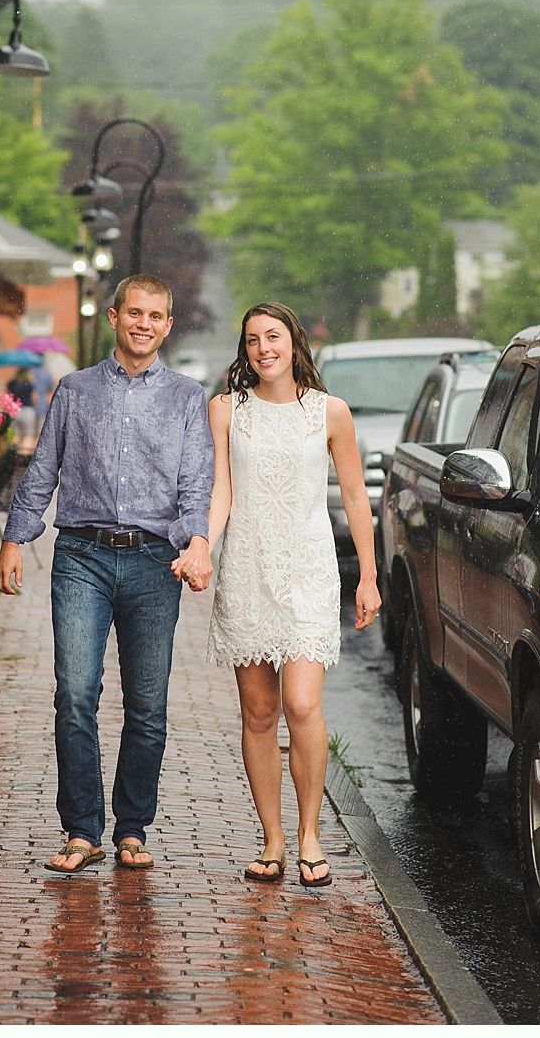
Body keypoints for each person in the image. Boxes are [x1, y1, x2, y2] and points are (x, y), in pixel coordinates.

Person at [0, 273, 214, 874]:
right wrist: (15, 538)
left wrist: (197, 543)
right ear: (114, 317)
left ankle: (133, 828)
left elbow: (197, 483)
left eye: (155, 316)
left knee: (146, 705)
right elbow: (44, 469)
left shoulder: (187, 399)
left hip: (152, 562)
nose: (144, 323)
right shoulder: (75, 390)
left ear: (168, 325)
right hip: (82, 557)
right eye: (134, 312)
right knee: (75, 694)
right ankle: (82, 830)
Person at [201, 302, 381, 889]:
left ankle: (310, 834)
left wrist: (370, 577)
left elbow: (355, 496)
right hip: (248, 569)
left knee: (301, 704)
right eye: (252, 339)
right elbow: (222, 488)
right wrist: (205, 543)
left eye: (272, 337)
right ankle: (273, 840)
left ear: (293, 342)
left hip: (308, 571)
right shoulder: (228, 410)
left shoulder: (330, 412)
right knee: (258, 712)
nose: (263, 348)